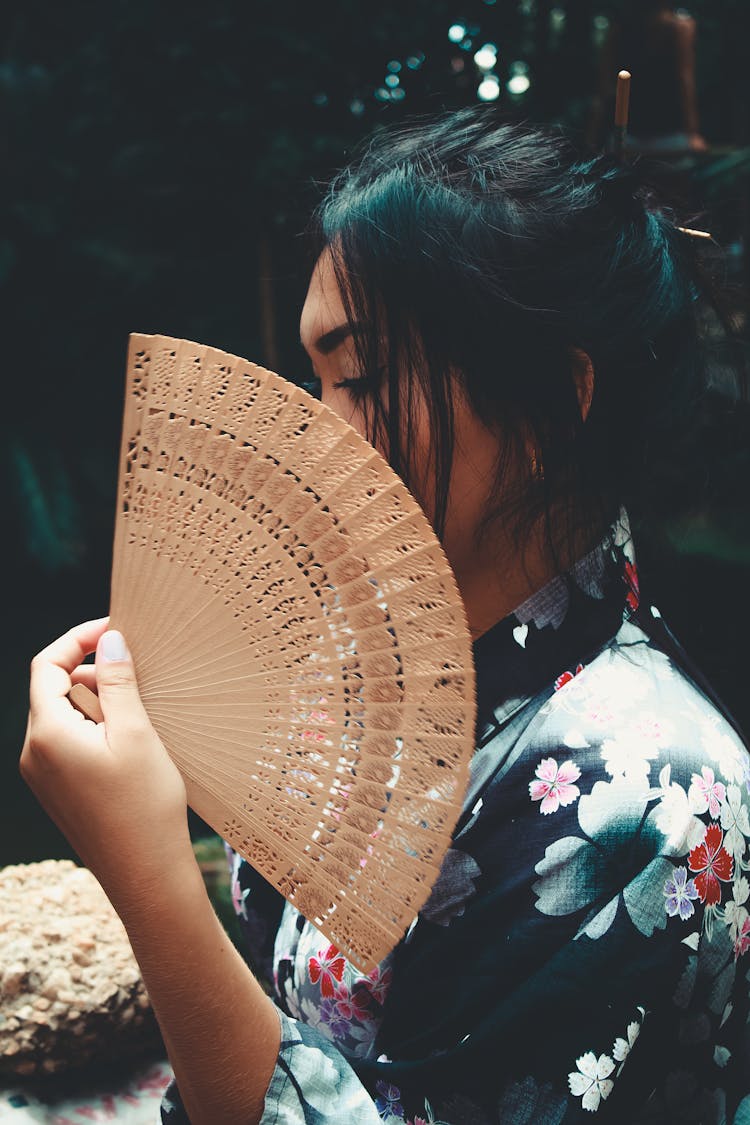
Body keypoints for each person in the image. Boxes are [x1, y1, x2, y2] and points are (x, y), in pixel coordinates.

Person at [21, 107, 750, 1124]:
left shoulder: (650, 799)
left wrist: (149, 877)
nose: (316, 434)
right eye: (317, 381)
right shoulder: (366, 677)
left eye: (359, 378)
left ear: (545, 400)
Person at [588, 0, 708, 155]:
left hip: (629, 133)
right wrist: (692, 133)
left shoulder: (618, 29)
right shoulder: (680, 28)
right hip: (667, 133)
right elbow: (685, 81)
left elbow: (604, 88)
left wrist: (592, 136)